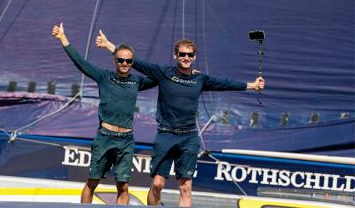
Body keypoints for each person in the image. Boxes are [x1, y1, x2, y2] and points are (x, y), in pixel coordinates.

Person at [96, 30, 265, 207]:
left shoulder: (200, 78)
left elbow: (225, 84)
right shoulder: (163, 72)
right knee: (157, 184)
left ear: (194, 56)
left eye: (189, 55)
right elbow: (135, 62)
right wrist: (109, 45)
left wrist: (252, 85)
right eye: (182, 54)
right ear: (175, 55)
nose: (186, 57)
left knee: (185, 187)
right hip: (166, 135)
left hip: (188, 138)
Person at [52, 23, 156, 205]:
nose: (124, 64)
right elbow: (80, 62)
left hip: (126, 140)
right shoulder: (104, 77)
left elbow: (158, 76)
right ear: (114, 61)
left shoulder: (137, 81)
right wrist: (63, 38)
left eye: (129, 61)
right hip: (105, 137)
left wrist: (110, 46)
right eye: (121, 60)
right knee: (92, 182)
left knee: (123, 187)